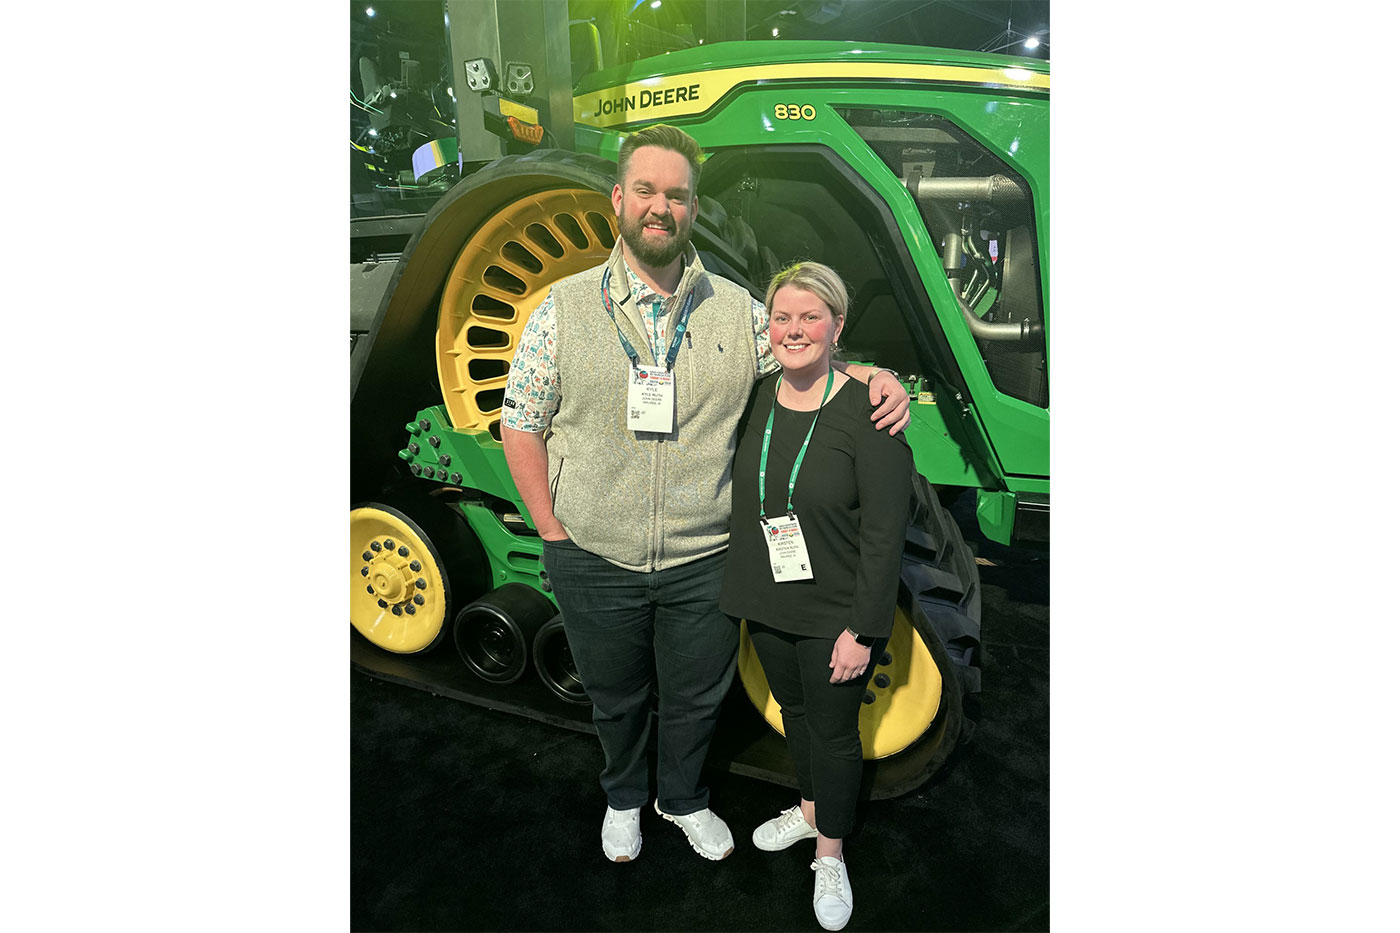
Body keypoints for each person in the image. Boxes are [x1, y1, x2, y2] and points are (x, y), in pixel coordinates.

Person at [499, 124, 910, 866]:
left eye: (678, 195)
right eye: (647, 191)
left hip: (703, 558)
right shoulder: (560, 310)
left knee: (695, 697)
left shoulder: (739, 310)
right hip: (591, 551)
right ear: (619, 199)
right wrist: (552, 529)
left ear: (693, 207)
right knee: (616, 698)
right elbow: (520, 423)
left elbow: (804, 350)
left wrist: (878, 380)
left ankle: (682, 797)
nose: (661, 207)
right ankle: (625, 796)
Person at [719, 262, 912, 931]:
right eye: (781, 317)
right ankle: (807, 812)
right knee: (794, 711)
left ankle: (831, 851)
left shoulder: (871, 412)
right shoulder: (753, 397)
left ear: (836, 325)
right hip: (768, 600)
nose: (793, 329)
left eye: (809, 317)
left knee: (832, 734)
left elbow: (886, 533)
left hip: (837, 612)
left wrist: (864, 630)